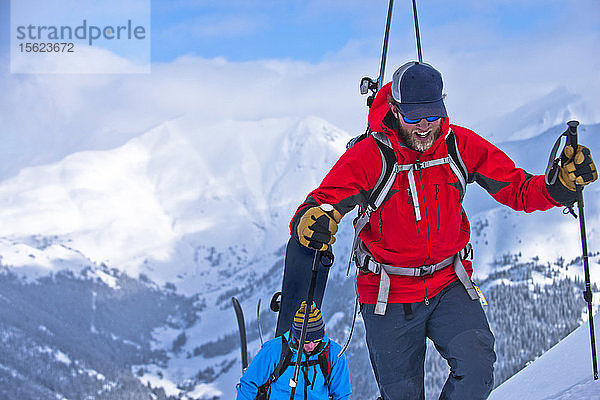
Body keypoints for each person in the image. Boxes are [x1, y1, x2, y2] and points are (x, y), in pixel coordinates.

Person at [288, 61, 597, 399]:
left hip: (450, 282)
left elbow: (516, 188)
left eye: (433, 116)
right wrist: (311, 219)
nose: (424, 127)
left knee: (477, 369)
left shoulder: (457, 146)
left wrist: (558, 189)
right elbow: (320, 203)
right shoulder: (370, 157)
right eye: (413, 117)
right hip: (388, 294)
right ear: (394, 109)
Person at [236, 302, 351, 400]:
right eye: (305, 341)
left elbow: (342, 394)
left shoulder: (334, 353)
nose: (311, 346)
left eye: (316, 340)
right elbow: (249, 384)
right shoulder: (274, 350)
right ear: (296, 336)